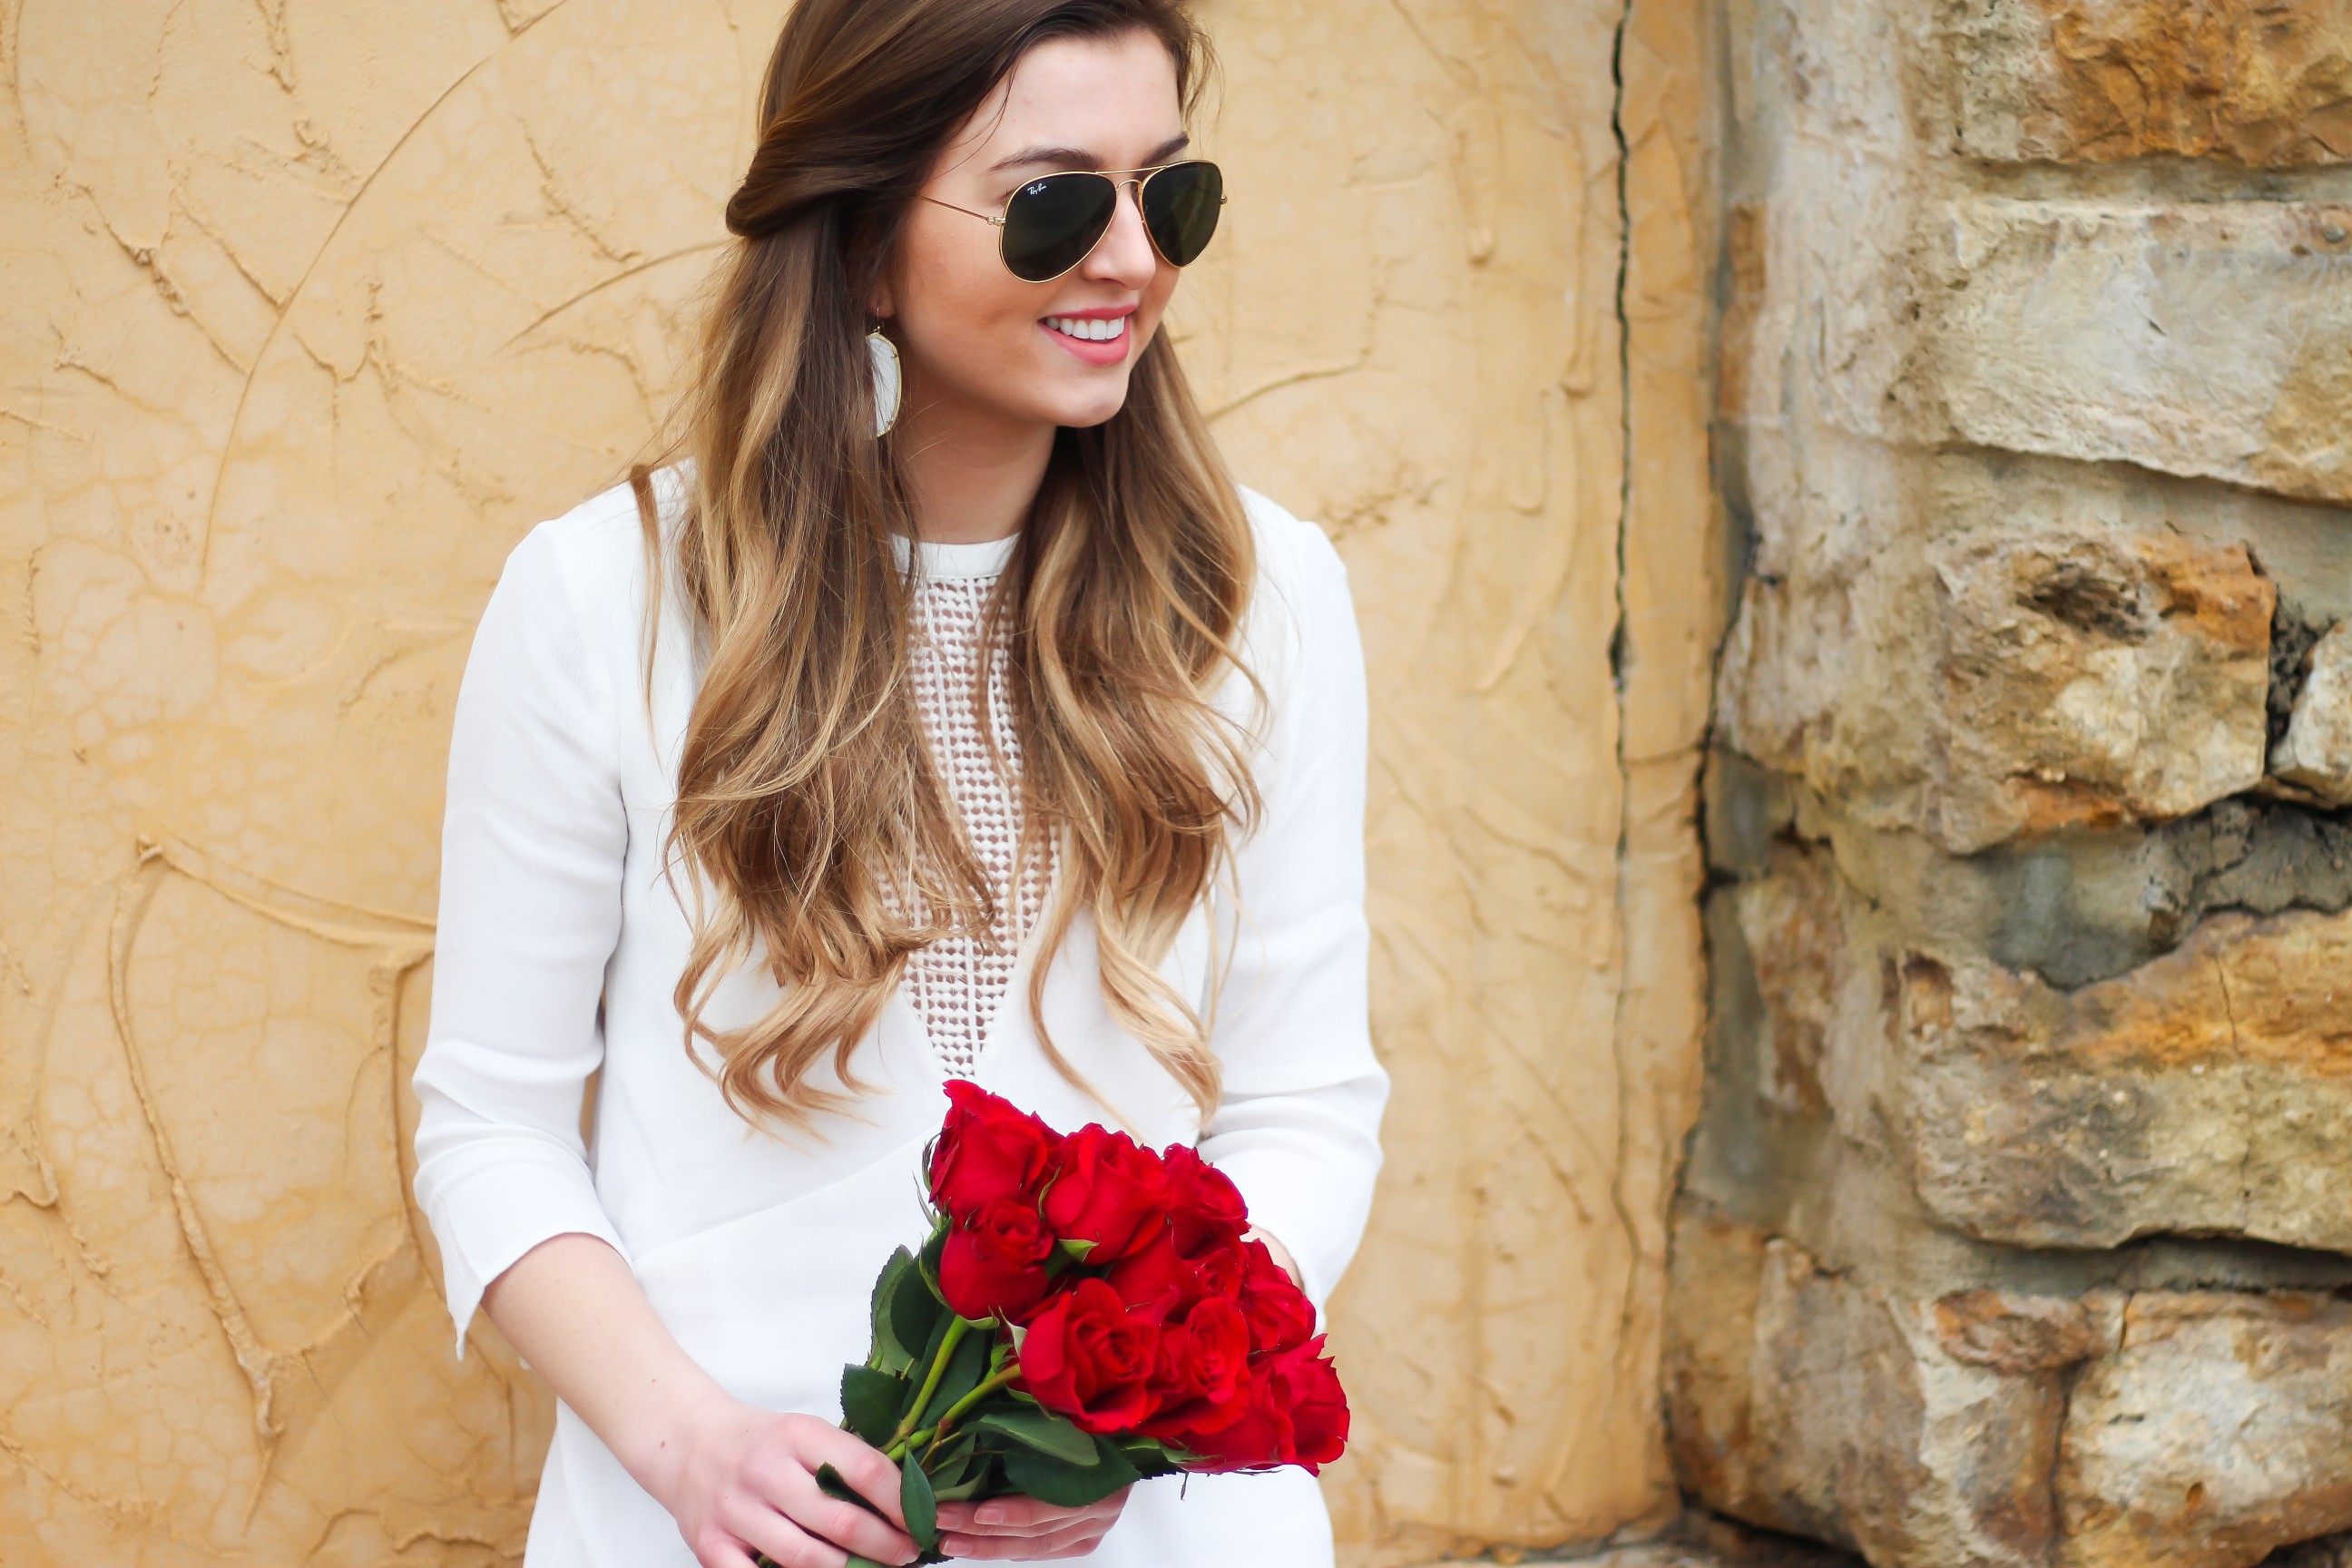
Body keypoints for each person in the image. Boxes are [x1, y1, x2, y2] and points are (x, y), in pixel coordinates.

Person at [409, 1, 1387, 1563]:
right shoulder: (606, 600)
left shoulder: (1264, 600)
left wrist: (1127, 1432)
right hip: (717, 1528)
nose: (1134, 261)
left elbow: (1304, 1101)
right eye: (1057, 199)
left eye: (1172, 193)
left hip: (1151, 1535)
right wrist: (693, 1453)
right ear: (863, 241)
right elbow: (489, 1125)